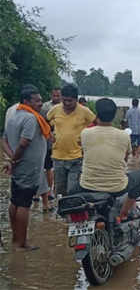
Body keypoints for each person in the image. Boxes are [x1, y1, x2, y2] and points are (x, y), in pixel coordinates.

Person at [80, 98, 140, 220]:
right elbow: (125, 159)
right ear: (114, 115)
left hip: (87, 185)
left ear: (97, 114)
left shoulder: (85, 133)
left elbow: (84, 153)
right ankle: (124, 213)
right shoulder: (124, 135)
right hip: (117, 187)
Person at [2, 85, 50, 250]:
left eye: (41, 100)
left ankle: (15, 239)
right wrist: (14, 159)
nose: (40, 103)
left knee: (15, 201)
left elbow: (4, 140)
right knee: (24, 204)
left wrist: (11, 159)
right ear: (26, 101)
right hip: (28, 168)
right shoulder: (30, 118)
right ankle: (21, 243)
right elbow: (24, 143)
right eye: (37, 101)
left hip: (18, 167)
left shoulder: (14, 116)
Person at [47, 84, 96, 196]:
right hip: (58, 156)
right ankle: (63, 212)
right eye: (64, 100)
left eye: (70, 101)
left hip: (76, 157)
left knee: (73, 190)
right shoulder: (55, 109)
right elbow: (45, 122)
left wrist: (87, 139)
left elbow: (96, 123)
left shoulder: (84, 111)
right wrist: (49, 135)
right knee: (60, 190)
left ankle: (73, 211)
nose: (67, 103)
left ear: (76, 99)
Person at [37, 88, 61, 205]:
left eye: (58, 96)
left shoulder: (64, 108)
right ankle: (37, 192)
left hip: (59, 142)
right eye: (54, 95)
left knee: (50, 168)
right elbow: (40, 122)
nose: (56, 97)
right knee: (42, 166)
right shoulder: (45, 107)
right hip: (46, 140)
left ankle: (50, 191)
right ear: (51, 95)